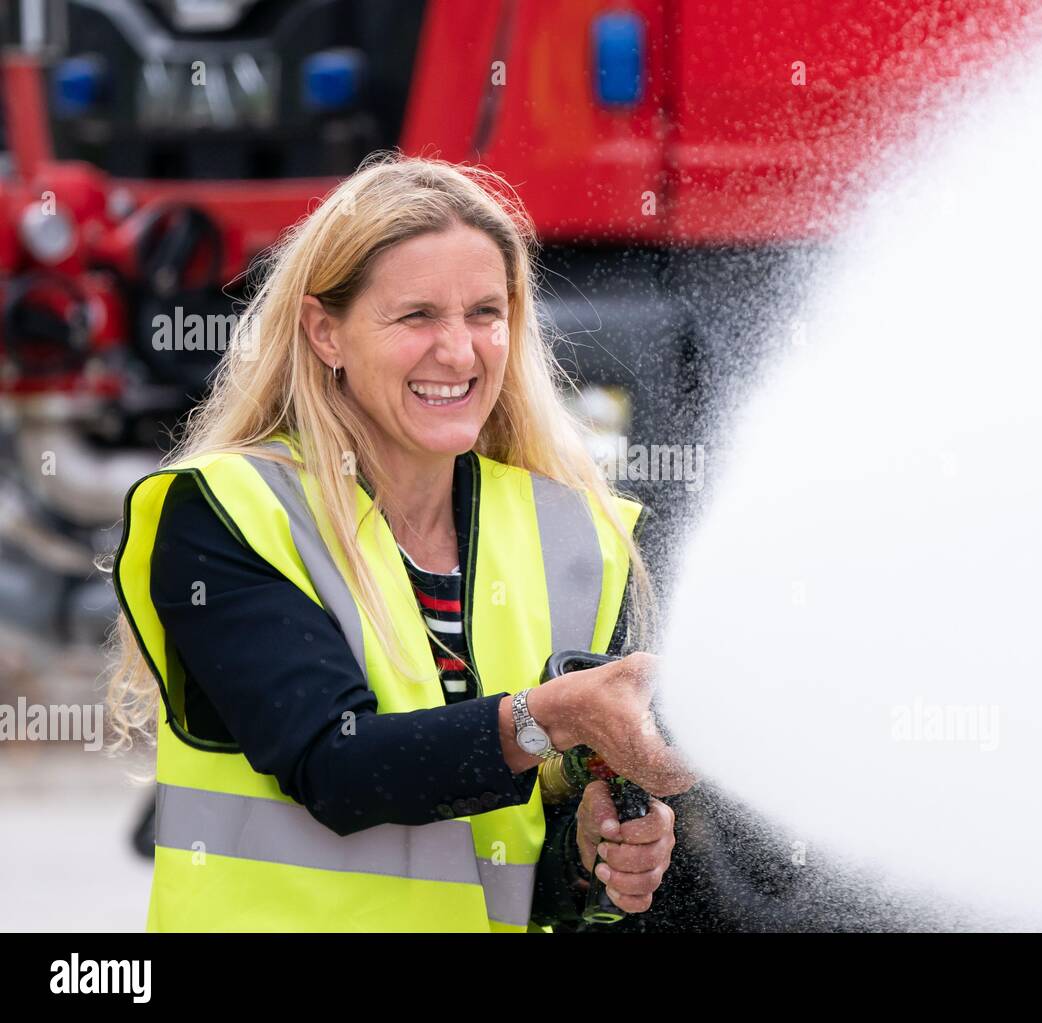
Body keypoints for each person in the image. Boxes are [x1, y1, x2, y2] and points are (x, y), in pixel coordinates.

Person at [103, 154, 693, 932]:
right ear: (326, 332)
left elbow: (488, 856)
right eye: (416, 316)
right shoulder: (230, 511)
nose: (459, 350)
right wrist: (550, 713)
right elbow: (339, 768)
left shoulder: (573, 536)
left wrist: (586, 855)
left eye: (486, 313)